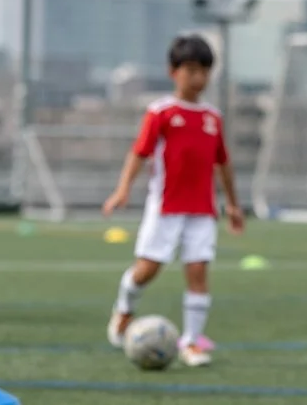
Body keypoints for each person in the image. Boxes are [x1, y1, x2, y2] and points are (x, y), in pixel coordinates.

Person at [103, 34, 245, 367]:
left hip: (202, 211)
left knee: (198, 271)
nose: (198, 78)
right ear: (173, 72)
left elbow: (222, 163)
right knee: (147, 270)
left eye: (204, 71)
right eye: (191, 70)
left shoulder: (212, 117)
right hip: (165, 207)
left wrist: (234, 205)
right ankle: (123, 311)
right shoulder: (161, 112)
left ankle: (192, 342)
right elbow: (139, 153)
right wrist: (122, 190)